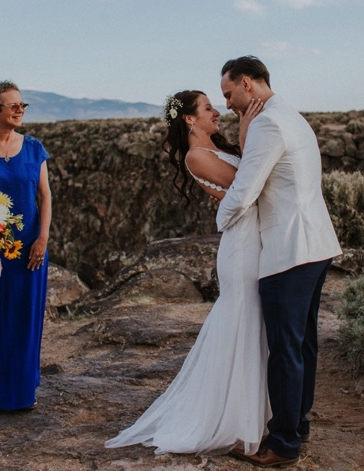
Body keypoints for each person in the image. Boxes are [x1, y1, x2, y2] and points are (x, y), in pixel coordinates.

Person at [106, 89, 270, 455]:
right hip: (241, 248)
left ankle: (253, 413)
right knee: (241, 322)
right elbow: (249, 185)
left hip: (255, 241)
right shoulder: (197, 156)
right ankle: (231, 419)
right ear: (189, 119)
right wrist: (247, 133)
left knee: (254, 324)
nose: (217, 112)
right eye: (208, 107)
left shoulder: (215, 148)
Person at [216, 56, 343, 468]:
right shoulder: (289, 114)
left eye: (230, 94)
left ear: (248, 83)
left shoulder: (268, 124)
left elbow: (245, 188)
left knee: (285, 349)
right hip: (314, 245)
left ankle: (284, 442)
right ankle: (296, 426)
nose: (228, 104)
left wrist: (221, 221)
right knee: (302, 344)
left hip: (289, 250)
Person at [0, 80, 52, 411]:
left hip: (30, 249)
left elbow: (44, 195)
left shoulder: (34, 148)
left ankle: (22, 393)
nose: (20, 110)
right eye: (13, 105)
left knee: (24, 319)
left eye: (23, 105)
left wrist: (43, 239)